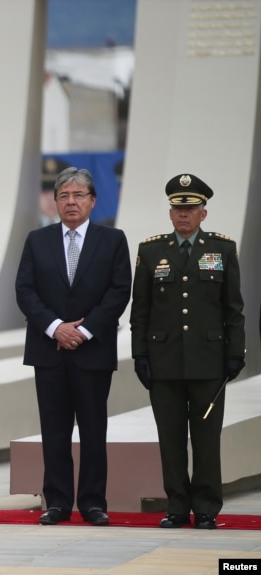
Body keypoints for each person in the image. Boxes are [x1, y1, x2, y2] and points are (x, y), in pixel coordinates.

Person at [15, 166, 131, 527]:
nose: (70, 202)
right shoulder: (37, 240)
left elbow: (119, 291)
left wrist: (86, 331)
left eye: (78, 195)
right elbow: (25, 290)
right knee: (54, 430)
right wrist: (55, 327)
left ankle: (93, 502)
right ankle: (58, 502)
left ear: (92, 201)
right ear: (55, 202)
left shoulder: (112, 240)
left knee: (94, 430)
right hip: (49, 351)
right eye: (64, 195)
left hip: (92, 351)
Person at [130, 173, 245, 530]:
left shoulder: (222, 249)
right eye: (178, 209)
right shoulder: (151, 251)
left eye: (191, 209)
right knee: (171, 437)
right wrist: (140, 355)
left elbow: (233, 308)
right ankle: (177, 506)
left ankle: (207, 507)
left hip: (208, 361)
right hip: (163, 361)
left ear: (203, 214)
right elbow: (140, 311)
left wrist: (235, 352)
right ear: (170, 213)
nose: (183, 215)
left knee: (207, 438)